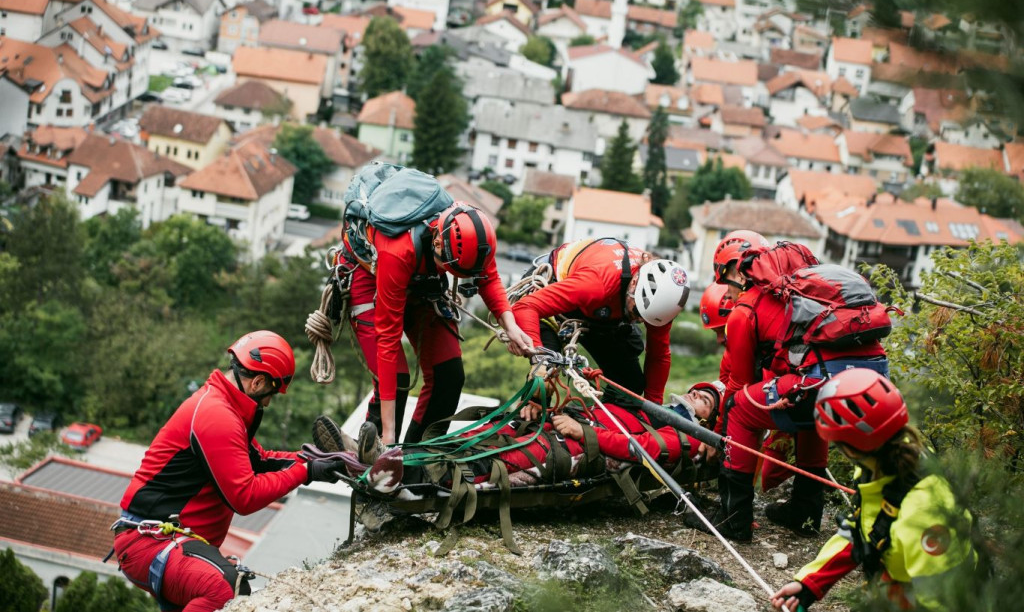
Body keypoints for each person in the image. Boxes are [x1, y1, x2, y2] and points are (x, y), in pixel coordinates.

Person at [112, 331, 347, 612]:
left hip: (163, 540)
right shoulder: (216, 416)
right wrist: (306, 472)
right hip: (151, 541)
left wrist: (313, 460)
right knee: (224, 587)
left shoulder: (222, 407)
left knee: (223, 587)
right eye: (271, 394)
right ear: (257, 382)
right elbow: (244, 497)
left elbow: (260, 461)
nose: (267, 403)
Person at [705, 230, 889, 542]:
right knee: (809, 410)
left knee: (738, 408)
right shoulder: (798, 293)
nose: (727, 292)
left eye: (726, 282)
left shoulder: (745, 310)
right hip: (875, 380)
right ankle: (805, 513)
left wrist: (719, 434)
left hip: (825, 383)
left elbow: (740, 384)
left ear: (737, 272)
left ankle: (733, 519)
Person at [771, 369, 977, 611]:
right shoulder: (881, 465)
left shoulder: (923, 513)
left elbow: (943, 601)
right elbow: (864, 528)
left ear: (852, 447)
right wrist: (810, 583)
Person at [342, 202, 532, 445]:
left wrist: (510, 326)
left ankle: (419, 456)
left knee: (449, 376)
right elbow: (387, 342)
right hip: (370, 276)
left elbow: (488, 277)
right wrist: (388, 436)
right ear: (437, 242)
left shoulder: (475, 237)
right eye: (452, 270)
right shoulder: (399, 251)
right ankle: (375, 450)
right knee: (396, 380)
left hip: (424, 279)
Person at [322, 383, 720, 491]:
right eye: (696, 390)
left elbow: (639, 450)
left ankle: (403, 476)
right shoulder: (645, 409)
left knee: (501, 458)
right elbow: (591, 408)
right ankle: (384, 455)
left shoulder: (682, 439)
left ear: (707, 421)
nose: (694, 395)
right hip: (559, 426)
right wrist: (540, 406)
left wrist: (583, 431)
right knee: (484, 433)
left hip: (572, 445)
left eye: (705, 400)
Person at [510, 238, 690, 408]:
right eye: (637, 313)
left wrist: (653, 409)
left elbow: (659, 356)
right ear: (634, 284)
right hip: (553, 288)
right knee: (544, 379)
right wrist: (539, 359)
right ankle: (531, 410)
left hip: (603, 307)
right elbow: (525, 307)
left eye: (645, 319)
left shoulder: (662, 305)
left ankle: (598, 423)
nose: (639, 320)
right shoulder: (596, 284)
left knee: (630, 386)